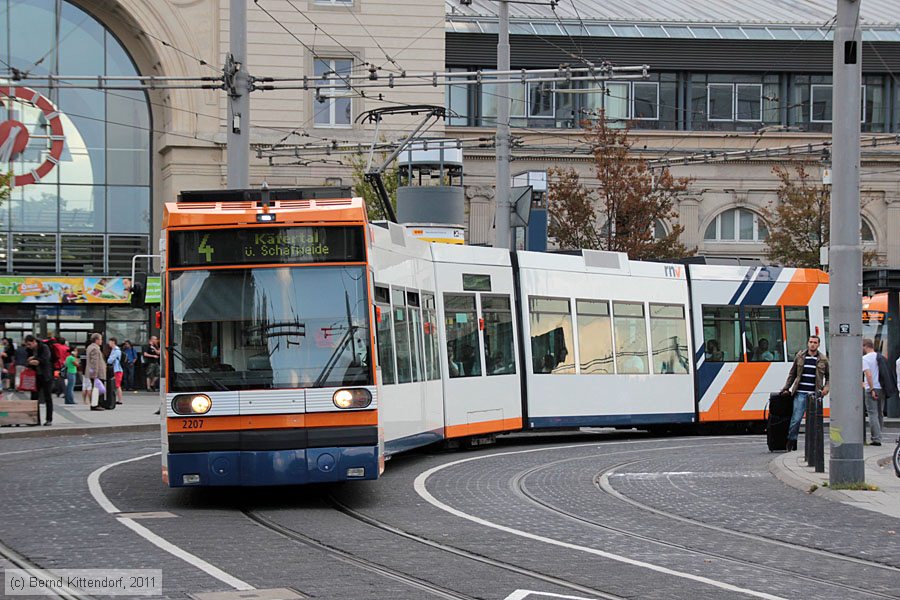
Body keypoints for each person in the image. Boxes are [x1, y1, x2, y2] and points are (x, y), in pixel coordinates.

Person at [782, 335, 829, 452]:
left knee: (813, 422)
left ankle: (813, 446)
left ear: (818, 344)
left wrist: (826, 388)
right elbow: (792, 374)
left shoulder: (823, 359)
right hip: (800, 393)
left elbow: (829, 377)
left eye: (815, 342)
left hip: (815, 394)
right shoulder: (800, 356)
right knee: (796, 419)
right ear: (807, 343)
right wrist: (786, 388)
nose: (812, 344)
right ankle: (792, 440)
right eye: (810, 342)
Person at [24, 335, 54, 426]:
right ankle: (35, 419)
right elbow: (28, 362)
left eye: (29, 344)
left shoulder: (44, 347)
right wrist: (30, 362)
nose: (28, 346)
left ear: (34, 341)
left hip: (46, 375)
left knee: (47, 397)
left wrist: (36, 360)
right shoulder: (29, 350)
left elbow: (45, 359)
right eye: (27, 345)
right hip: (35, 375)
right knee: (34, 397)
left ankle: (49, 419)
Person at [862, 338, 883, 446]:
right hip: (881, 387)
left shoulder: (865, 359)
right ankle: (879, 435)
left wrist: (871, 388)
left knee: (872, 413)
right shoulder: (880, 357)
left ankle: (876, 438)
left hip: (872, 388)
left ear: (865, 346)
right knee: (880, 413)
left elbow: (868, 374)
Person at [86, 333, 105, 411]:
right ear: (96, 340)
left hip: (92, 372)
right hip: (97, 373)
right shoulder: (95, 349)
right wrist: (95, 374)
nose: (101, 341)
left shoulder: (90, 347)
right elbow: (95, 362)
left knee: (95, 388)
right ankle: (95, 404)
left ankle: (95, 404)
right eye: (100, 339)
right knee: (97, 389)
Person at [107, 338, 123, 406]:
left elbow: (110, 360)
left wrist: (109, 359)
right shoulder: (114, 350)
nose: (109, 343)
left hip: (117, 370)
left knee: (117, 385)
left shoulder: (116, 350)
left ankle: (120, 400)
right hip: (115, 369)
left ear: (113, 342)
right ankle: (118, 399)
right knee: (116, 385)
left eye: (110, 342)